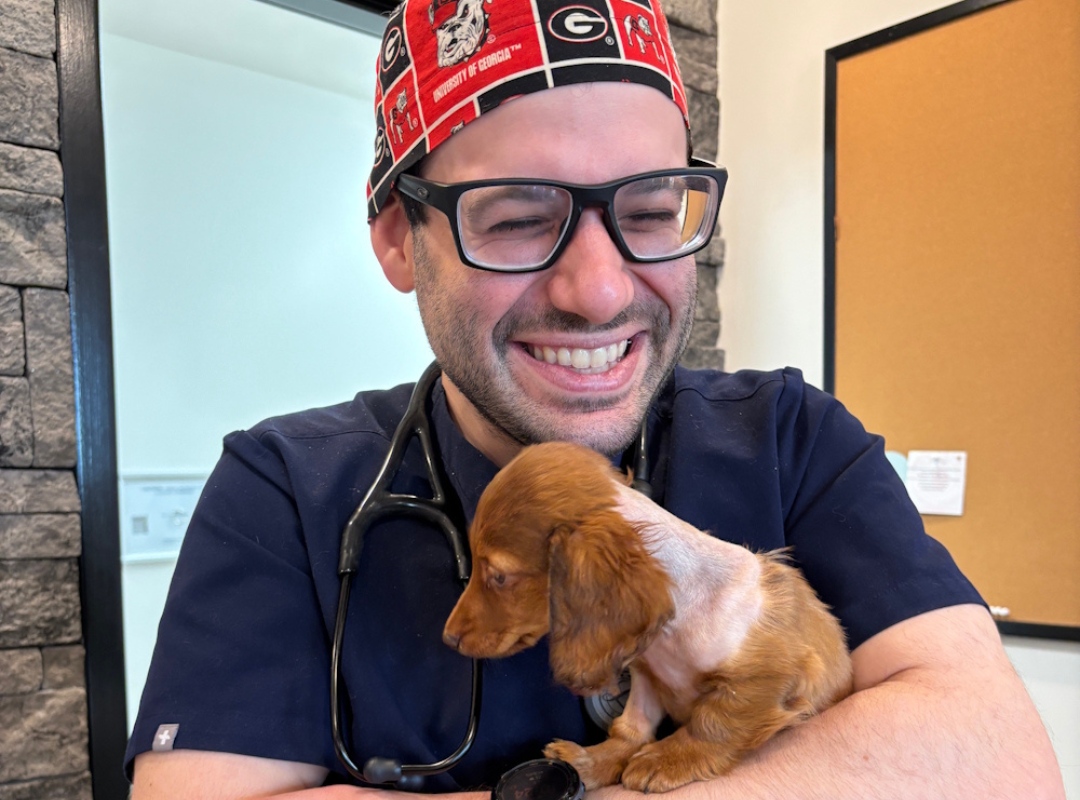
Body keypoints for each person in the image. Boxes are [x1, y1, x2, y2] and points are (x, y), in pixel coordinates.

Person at [126, 0, 1065, 797]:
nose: (603, 290)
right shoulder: (285, 489)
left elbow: (1001, 761)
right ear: (399, 240)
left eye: (653, 212)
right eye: (520, 217)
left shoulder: (793, 436)